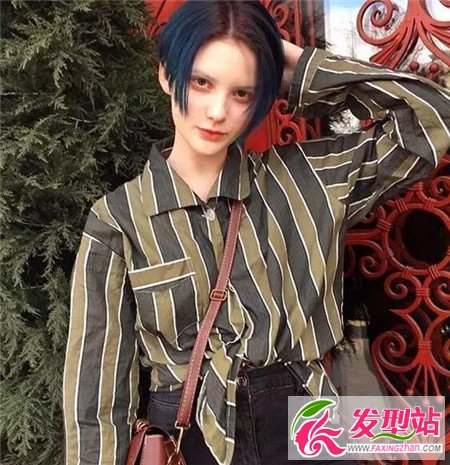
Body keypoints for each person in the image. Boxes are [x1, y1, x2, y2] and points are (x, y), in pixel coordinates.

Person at [63, 1, 450, 465]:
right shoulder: (118, 220)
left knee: (420, 433)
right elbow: (96, 400)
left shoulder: (310, 181)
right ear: (166, 74)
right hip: (189, 438)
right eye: (201, 82)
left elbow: (432, 120)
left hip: (308, 420)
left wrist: (297, 69)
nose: (217, 111)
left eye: (242, 92)